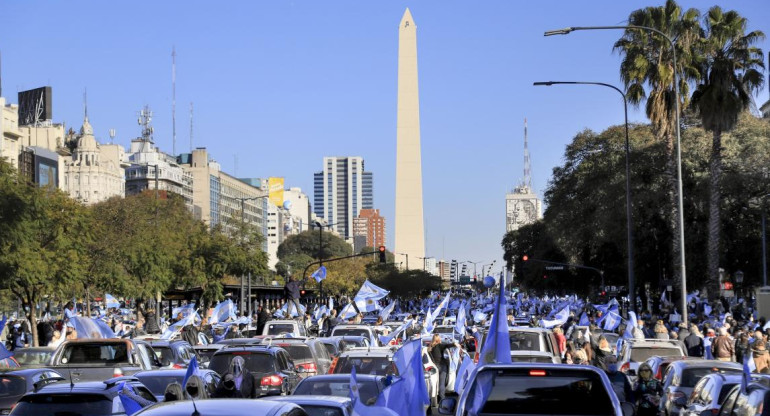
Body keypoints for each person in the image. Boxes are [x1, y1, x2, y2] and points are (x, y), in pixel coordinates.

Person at [428, 334, 460, 402]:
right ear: (438, 339)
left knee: (434, 383)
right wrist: (454, 344)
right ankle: (442, 399)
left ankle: (434, 398)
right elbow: (447, 345)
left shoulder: (429, 348)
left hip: (434, 367)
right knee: (442, 383)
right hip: (442, 366)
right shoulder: (439, 346)